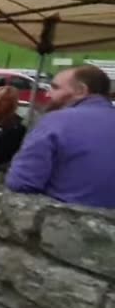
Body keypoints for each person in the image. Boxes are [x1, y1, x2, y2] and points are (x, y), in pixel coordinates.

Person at [7, 65, 115, 208]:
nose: (48, 94)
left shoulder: (56, 121)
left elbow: (21, 183)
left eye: (55, 88)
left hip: (66, 221)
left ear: (81, 90)